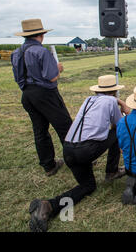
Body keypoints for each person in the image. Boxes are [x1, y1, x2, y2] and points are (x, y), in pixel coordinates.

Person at [28, 75, 129, 232]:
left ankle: (48, 206)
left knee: (88, 186)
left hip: (68, 149)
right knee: (116, 133)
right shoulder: (110, 101)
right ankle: (112, 171)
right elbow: (120, 125)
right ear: (114, 92)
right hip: (85, 151)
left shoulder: (88, 100)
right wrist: (123, 105)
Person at [11, 19, 72, 176]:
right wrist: (58, 69)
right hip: (46, 94)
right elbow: (52, 77)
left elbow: (18, 77)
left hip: (27, 95)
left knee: (40, 130)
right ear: (42, 35)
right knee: (65, 126)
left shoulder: (16, 53)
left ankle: (49, 165)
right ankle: (75, 160)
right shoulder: (42, 52)